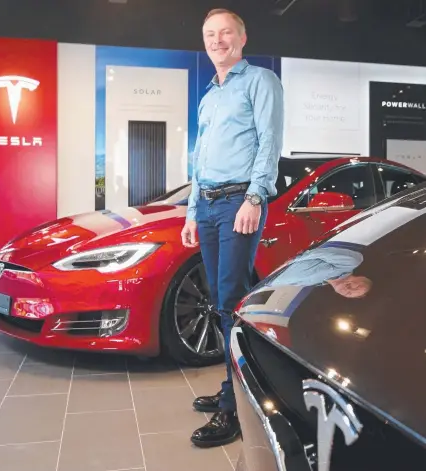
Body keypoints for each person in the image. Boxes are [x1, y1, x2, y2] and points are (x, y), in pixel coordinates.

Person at [181, 8, 284, 448]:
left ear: (242, 38)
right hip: (206, 205)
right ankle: (231, 387)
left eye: (225, 33)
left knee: (230, 302)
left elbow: (269, 141)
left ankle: (236, 409)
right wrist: (190, 210)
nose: (217, 40)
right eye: (210, 34)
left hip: (238, 202)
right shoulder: (208, 95)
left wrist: (255, 197)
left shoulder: (260, 81)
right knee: (220, 303)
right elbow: (199, 160)